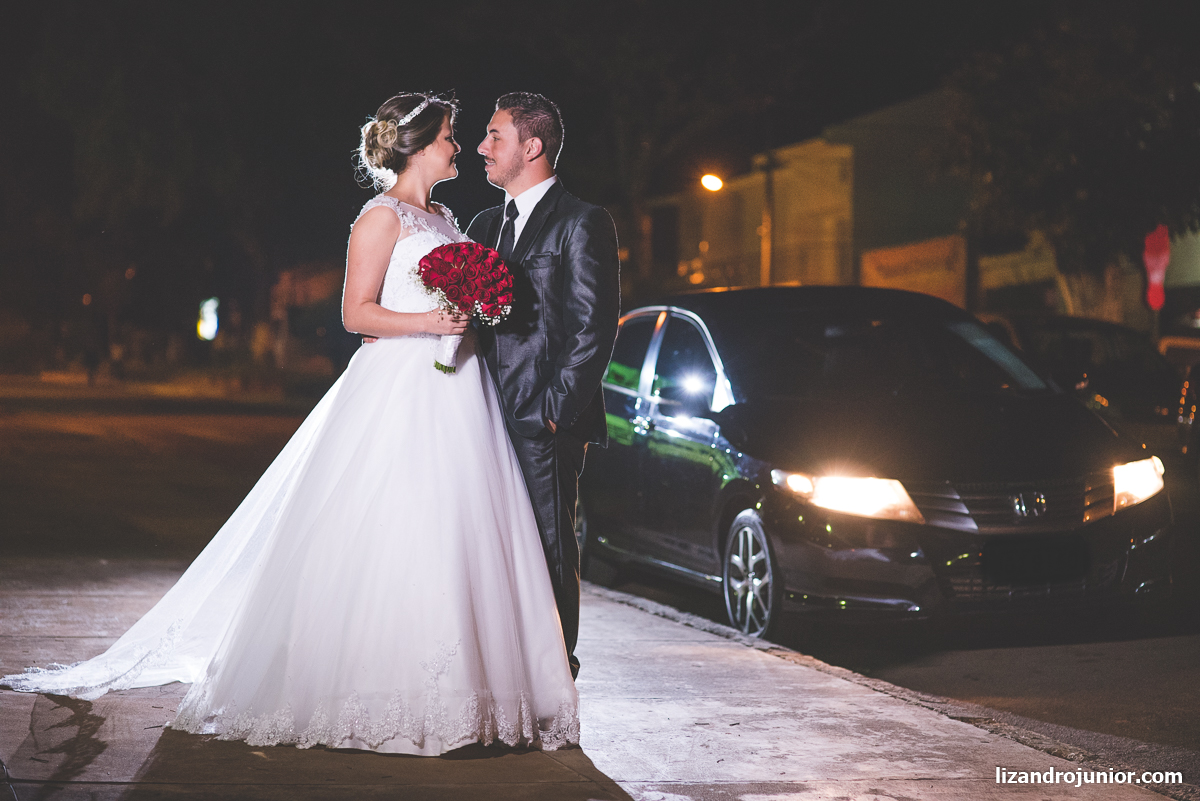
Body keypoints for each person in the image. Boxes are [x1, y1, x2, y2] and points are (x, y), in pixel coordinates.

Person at [1, 93, 579, 756]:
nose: (460, 146)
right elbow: (356, 314)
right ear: (420, 146)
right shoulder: (381, 217)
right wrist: (429, 321)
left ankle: (471, 696)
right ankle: (384, 690)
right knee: (400, 523)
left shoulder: (447, 218)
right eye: (450, 135)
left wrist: (471, 313)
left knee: (462, 525)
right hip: (402, 388)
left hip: (461, 391)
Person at [467, 93, 621, 679]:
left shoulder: (582, 221)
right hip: (479, 414)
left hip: (542, 422)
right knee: (491, 548)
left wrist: (552, 412)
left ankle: (556, 674)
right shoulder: (484, 225)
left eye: (495, 136)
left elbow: (592, 329)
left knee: (548, 547)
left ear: (531, 147)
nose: (482, 147)